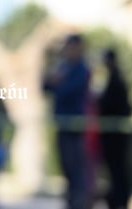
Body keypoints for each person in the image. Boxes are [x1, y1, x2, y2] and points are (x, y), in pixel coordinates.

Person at [43, 33, 91, 209]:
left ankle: (79, 203)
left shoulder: (81, 70)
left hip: (75, 126)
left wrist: (58, 83)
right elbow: (46, 86)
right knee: (67, 169)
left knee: (76, 170)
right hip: (62, 124)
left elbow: (68, 91)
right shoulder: (62, 67)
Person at [96, 48, 131, 209]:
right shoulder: (114, 78)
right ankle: (117, 197)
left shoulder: (116, 79)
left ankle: (119, 198)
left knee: (117, 169)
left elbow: (114, 106)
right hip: (113, 135)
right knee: (115, 170)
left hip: (116, 136)